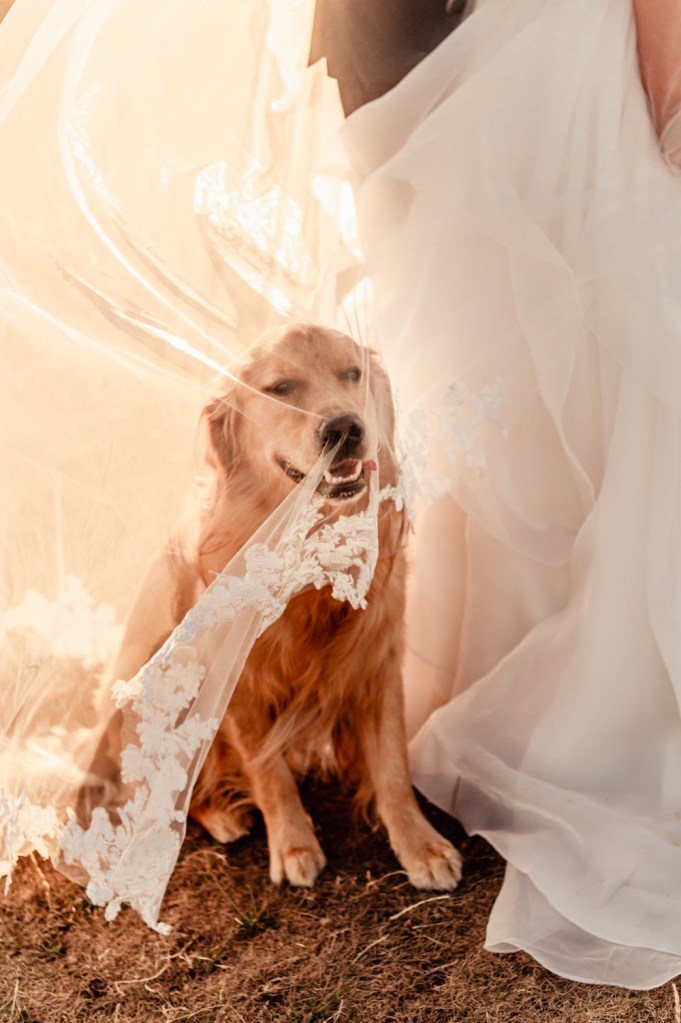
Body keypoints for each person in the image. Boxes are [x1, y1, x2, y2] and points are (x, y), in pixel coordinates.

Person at [1, 0, 680, 989]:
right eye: (287, 393)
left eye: (346, 384)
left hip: (446, 44)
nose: (331, 406)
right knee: (495, 337)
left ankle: (467, 725)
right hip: (414, 42)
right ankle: (279, 777)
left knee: (497, 358)